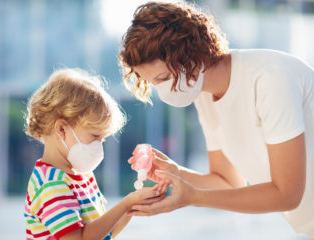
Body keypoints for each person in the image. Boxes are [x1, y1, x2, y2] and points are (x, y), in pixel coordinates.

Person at [119, 1, 314, 238]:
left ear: (191, 53)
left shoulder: (269, 79)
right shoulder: (203, 94)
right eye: (152, 83)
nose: (161, 91)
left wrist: (193, 198)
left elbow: (287, 194)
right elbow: (228, 182)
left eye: (163, 78)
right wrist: (175, 173)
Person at [23, 68, 170, 240]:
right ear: (61, 129)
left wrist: (132, 205)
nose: (99, 146)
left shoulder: (82, 175)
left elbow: (105, 234)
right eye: (95, 136)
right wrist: (126, 203)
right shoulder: (51, 184)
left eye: (103, 139)